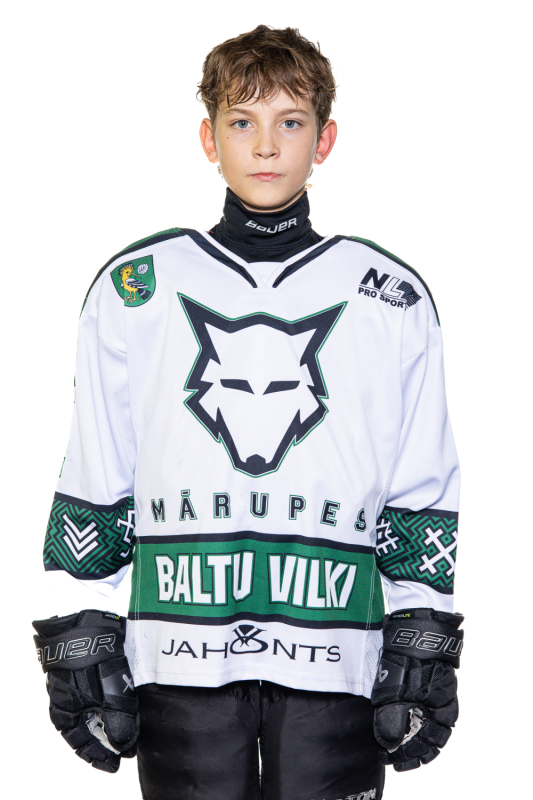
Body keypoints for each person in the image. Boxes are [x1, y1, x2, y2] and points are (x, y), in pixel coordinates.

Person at [32, 24, 464, 800]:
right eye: (241, 121)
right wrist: (80, 615)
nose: (265, 146)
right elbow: (99, 462)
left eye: (289, 122)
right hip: (178, 651)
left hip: (337, 653)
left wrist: (422, 623)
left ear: (324, 139)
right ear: (209, 138)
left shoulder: (388, 295)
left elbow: (420, 479)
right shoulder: (138, 286)